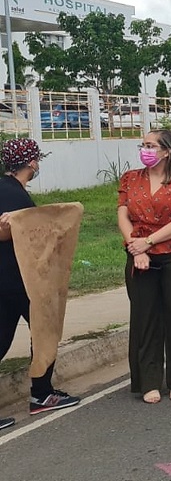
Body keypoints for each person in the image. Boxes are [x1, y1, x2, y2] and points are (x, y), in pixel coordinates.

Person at [118, 129, 171, 403]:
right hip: (139, 252)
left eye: (152, 145)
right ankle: (148, 381)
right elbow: (122, 214)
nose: (146, 149)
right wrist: (135, 245)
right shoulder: (131, 178)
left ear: (167, 151)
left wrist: (149, 242)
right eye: (143, 145)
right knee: (144, 318)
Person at [0, 139, 80, 424]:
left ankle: (43, 393)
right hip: (19, 281)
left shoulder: (5, 188)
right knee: (46, 329)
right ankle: (42, 395)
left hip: (8, 281)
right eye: (37, 160)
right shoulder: (15, 196)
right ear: (32, 163)